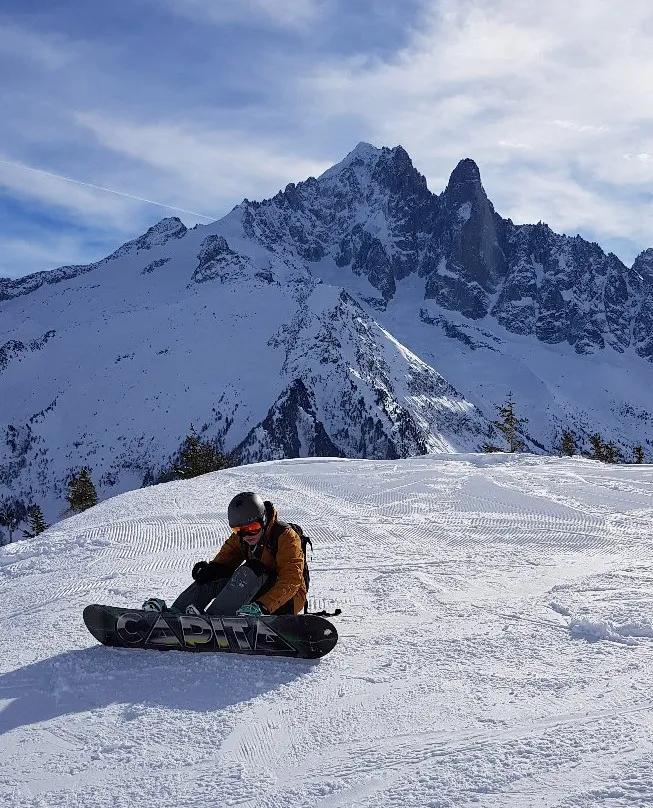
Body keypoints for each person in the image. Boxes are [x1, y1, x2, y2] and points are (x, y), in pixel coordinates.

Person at [142, 492, 307, 617]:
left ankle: (214, 620)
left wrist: (262, 606)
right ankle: (176, 613)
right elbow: (224, 563)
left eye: (253, 528)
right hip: (256, 593)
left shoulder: (285, 536)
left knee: (251, 568)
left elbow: (291, 580)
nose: (247, 535)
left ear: (263, 520)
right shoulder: (242, 538)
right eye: (239, 530)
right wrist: (209, 571)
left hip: (286, 600)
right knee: (211, 576)